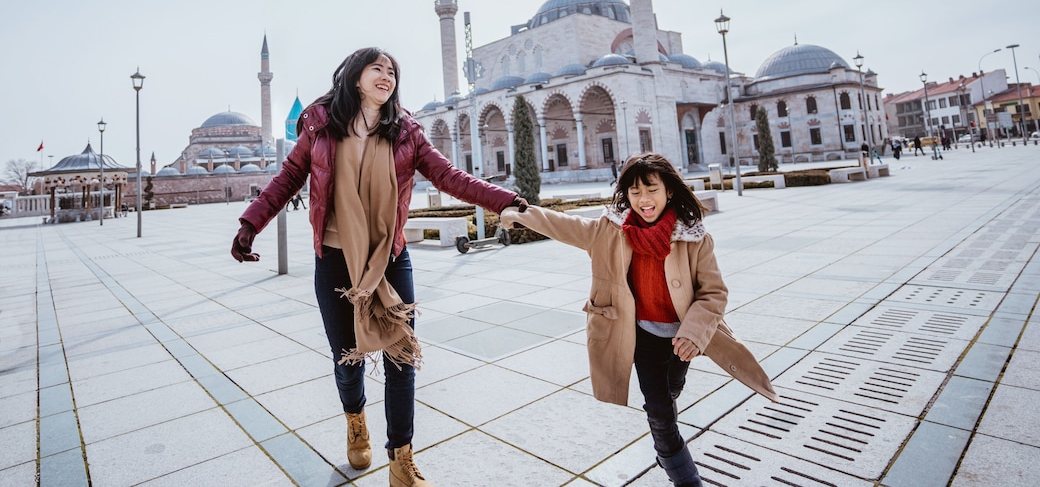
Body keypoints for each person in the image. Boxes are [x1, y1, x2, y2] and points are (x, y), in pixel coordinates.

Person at [231, 47, 527, 486]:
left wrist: (503, 199)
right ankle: (355, 419)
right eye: (377, 68)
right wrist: (251, 222)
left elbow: (448, 177)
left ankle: (401, 457)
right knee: (346, 360)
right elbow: (289, 177)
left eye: (392, 71)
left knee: (400, 356)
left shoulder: (406, 131)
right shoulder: (320, 124)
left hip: (389, 256)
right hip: (334, 258)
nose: (386, 75)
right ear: (355, 77)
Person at [500, 153, 776, 487]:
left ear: (668, 191)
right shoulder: (611, 230)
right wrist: (521, 214)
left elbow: (714, 293)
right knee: (659, 412)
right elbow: (567, 226)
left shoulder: (695, 237)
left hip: (682, 339)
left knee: (670, 395)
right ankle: (686, 479)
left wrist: (694, 333)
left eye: (651, 189)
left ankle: (665, 450)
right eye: (634, 192)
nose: (644, 200)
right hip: (641, 336)